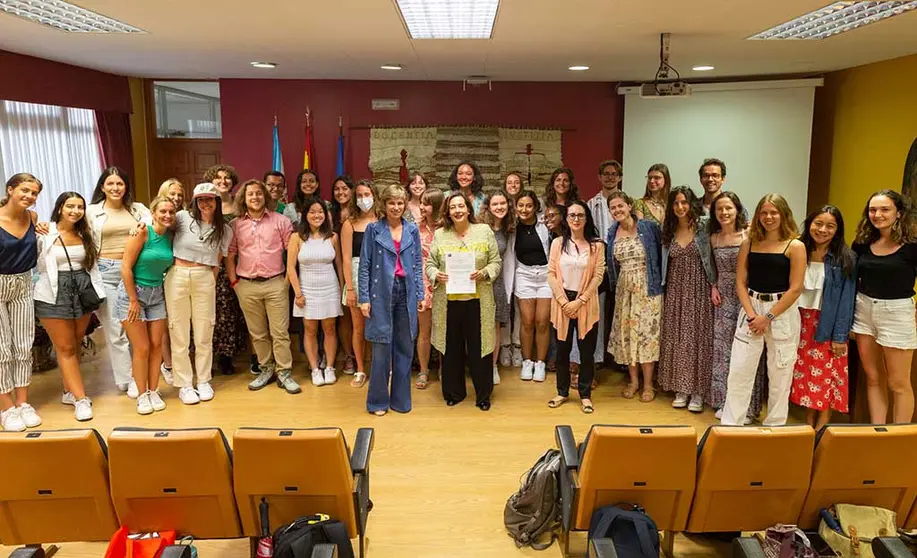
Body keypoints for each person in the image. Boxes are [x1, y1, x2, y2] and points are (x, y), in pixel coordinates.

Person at [721, 194, 806, 426]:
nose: (768, 217)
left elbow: (796, 288)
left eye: (774, 212)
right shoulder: (749, 243)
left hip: (781, 312)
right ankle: (731, 424)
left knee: (780, 373)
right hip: (751, 308)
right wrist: (752, 315)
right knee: (739, 371)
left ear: (783, 214)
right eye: (764, 212)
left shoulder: (795, 245)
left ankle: (775, 425)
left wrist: (767, 317)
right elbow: (740, 282)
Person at [426, 191, 501, 410]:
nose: (457, 210)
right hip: (448, 302)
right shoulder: (440, 234)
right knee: (451, 349)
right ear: (448, 212)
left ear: (469, 209)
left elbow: (496, 261)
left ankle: (483, 395)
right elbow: (430, 263)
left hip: (478, 301)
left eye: (461, 206)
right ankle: (453, 392)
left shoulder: (484, 231)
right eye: (453, 207)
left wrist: (485, 273)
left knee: (480, 348)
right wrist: (435, 275)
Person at [34, 191, 104, 422]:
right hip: (53, 293)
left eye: (80, 207)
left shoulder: (87, 233)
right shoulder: (46, 232)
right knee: (65, 348)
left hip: (82, 290)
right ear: (60, 208)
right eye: (70, 206)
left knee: (75, 344)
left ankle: (68, 392)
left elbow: (93, 264)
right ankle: (81, 399)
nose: (75, 211)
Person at [851, 190, 917, 424]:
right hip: (864, 310)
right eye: (873, 210)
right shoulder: (861, 244)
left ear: (899, 213)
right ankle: (877, 431)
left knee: (898, 382)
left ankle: (899, 437)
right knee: (872, 377)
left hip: (897, 312)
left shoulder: (911, 246)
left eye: (884, 209)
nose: (877, 214)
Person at [226, 180, 298, 394]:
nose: (255, 197)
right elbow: (230, 255)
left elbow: (291, 250)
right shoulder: (236, 225)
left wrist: (287, 280)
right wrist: (234, 283)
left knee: (280, 332)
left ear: (265, 196)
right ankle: (266, 369)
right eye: (250, 195)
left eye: (259, 193)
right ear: (243, 199)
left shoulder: (281, 221)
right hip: (246, 285)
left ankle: (284, 372)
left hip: (276, 282)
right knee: (257, 333)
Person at [359, 185, 424, 415]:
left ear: (405, 204)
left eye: (400, 203)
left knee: (405, 348)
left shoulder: (412, 230)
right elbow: (364, 266)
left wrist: (420, 294)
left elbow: (417, 264)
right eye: (391, 203)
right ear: (384, 205)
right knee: (381, 349)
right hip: (381, 293)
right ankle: (377, 401)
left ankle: (400, 400)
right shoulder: (373, 230)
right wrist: (364, 298)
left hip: (406, 291)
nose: (396, 207)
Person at [164, 182, 232, 405]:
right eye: (201, 199)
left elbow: (220, 258)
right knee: (179, 330)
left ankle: (203, 380)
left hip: (205, 275)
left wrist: (211, 277)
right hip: (179, 273)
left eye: (210, 199)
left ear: (217, 202)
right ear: (194, 201)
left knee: (204, 330)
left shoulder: (225, 229)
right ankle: (185, 384)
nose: (205, 203)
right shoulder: (182, 217)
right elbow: (159, 224)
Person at [87, 167, 151, 397]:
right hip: (104, 271)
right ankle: (127, 378)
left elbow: (154, 225)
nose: (115, 188)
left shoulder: (138, 210)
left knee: (136, 325)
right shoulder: (91, 212)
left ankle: (138, 374)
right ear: (102, 187)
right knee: (115, 328)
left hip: (133, 272)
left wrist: (142, 224)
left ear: (126, 187)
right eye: (110, 184)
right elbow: (66, 226)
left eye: (120, 184)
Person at [790, 205, 856, 430]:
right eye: (818, 224)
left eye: (830, 226)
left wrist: (840, 335)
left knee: (827, 374)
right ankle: (808, 419)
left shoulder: (845, 258)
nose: (823, 230)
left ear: (837, 230)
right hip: (797, 319)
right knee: (805, 373)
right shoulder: (797, 249)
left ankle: (823, 423)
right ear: (809, 224)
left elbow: (846, 300)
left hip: (826, 321)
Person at [657, 186, 716, 413]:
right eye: (676, 203)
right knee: (678, 338)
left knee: (698, 340)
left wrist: (714, 285)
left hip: (699, 290)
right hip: (675, 291)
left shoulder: (705, 227)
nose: (680, 207)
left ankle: (698, 392)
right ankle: (681, 388)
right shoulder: (669, 230)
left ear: (692, 204)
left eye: (684, 202)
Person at [708, 192, 765, 423]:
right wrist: (713, 285)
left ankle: (748, 406)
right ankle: (725, 401)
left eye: (729, 208)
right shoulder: (714, 238)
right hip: (722, 299)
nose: (724, 213)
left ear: (737, 210)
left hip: (746, 297)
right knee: (723, 352)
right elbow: (712, 267)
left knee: (747, 352)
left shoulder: (749, 235)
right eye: (719, 209)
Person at [547, 200, 606, 413]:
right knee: (561, 352)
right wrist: (564, 302)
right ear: (566, 219)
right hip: (562, 303)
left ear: (586, 218)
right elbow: (551, 274)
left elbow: (598, 275)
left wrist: (580, 301)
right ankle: (562, 392)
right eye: (572, 215)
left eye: (580, 215)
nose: (576, 219)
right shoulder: (557, 243)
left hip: (586, 303)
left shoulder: (597, 245)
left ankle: (585, 395)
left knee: (586, 353)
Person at [118, 197, 175, 415]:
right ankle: (141, 395)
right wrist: (133, 300)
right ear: (152, 213)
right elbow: (125, 267)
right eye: (162, 211)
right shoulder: (142, 232)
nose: (167, 215)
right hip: (133, 294)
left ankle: (153, 390)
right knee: (141, 348)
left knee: (156, 347)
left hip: (157, 294)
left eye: (171, 211)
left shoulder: (170, 235)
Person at [605, 191, 663, 402]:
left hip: (648, 288)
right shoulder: (612, 232)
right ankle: (634, 381)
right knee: (627, 335)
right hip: (624, 290)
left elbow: (661, 254)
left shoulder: (649, 227)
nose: (617, 210)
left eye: (621, 205)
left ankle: (648, 384)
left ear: (629, 206)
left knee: (647, 336)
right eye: (613, 208)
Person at [0, 173, 42, 431]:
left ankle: (23, 403)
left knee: (24, 345)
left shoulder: (32, 218)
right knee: (2, 349)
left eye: (34, 193)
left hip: (24, 282)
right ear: (10, 189)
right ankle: (6, 407)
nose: (29, 196)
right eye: (24, 190)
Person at [288, 196, 344, 386]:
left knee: (329, 329)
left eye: (320, 212)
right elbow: (290, 268)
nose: (317, 215)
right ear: (305, 215)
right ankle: (314, 369)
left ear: (326, 214)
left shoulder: (333, 237)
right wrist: (298, 294)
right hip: (306, 290)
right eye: (312, 212)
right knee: (310, 331)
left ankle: (329, 367)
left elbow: (339, 265)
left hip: (330, 288)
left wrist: (344, 289)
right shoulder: (296, 237)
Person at [205, 164, 250, 376]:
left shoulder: (240, 207)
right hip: (208, 265)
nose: (223, 181)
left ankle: (226, 357)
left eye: (227, 178)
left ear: (233, 182)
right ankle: (207, 358)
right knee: (207, 312)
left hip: (234, 265)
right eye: (218, 178)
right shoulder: (204, 205)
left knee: (230, 314)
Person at [504, 190, 552, 382]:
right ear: (516, 207)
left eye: (529, 206)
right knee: (527, 321)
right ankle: (527, 361)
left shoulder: (544, 225)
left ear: (535, 208)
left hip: (546, 274)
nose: (525, 209)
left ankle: (540, 363)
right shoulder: (512, 227)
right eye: (521, 205)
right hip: (523, 274)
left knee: (542, 321)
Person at [341, 179, 377, 388]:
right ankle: (361, 370)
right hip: (356, 275)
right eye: (360, 195)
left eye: (367, 194)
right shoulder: (350, 223)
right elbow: (346, 258)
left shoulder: (382, 220)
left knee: (380, 326)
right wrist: (351, 289)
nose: (364, 199)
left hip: (379, 277)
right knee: (358, 328)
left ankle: (382, 367)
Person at [481, 191, 515, 385]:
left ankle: (492, 367)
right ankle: (479, 365)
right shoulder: (480, 227)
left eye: (503, 203)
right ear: (488, 207)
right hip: (480, 281)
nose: (499, 207)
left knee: (494, 327)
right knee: (479, 326)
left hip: (499, 283)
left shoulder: (509, 228)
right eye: (495, 204)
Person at [415, 187, 444, 390]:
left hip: (445, 283)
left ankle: (445, 368)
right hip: (423, 283)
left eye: (425, 203)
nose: (421, 207)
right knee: (424, 331)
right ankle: (424, 370)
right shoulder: (415, 228)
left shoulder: (447, 229)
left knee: (444, 331)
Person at [329, 174, 357, 374]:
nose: (341, 192)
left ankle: (363, 356)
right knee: (344, 317)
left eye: (345, 188)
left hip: (354, 268)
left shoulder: (360, 213)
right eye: (337, 189)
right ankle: (348, 356)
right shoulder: (329, 213)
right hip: (330, 268)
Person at [587, 160, 622, 240]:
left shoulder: (628, 203)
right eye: (606, 174)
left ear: (620, 178)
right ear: (599, 177)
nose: (610, 177)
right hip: (599, 249)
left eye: (614, 174)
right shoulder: (591, 204)